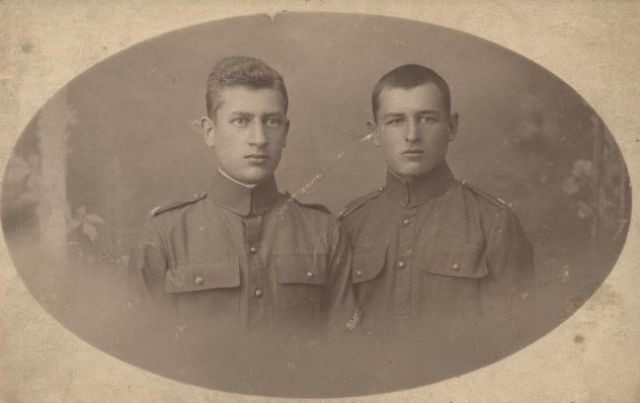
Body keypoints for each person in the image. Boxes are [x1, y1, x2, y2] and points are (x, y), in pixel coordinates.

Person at [129, 56, 359, 334]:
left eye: (271, 122)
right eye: (241, 121)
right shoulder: (164, 234)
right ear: (210, 131)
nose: (259, 139)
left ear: (285, 132)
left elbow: (344, 347)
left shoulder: (324, 231)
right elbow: (145, 347)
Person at [340, 64, 534, 349]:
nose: (412, 135)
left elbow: (512, 342)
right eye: (395, 121)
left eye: (427, 119)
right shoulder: (349, 224)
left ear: (451, 126)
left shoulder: (493, 222)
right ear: (375, 133)